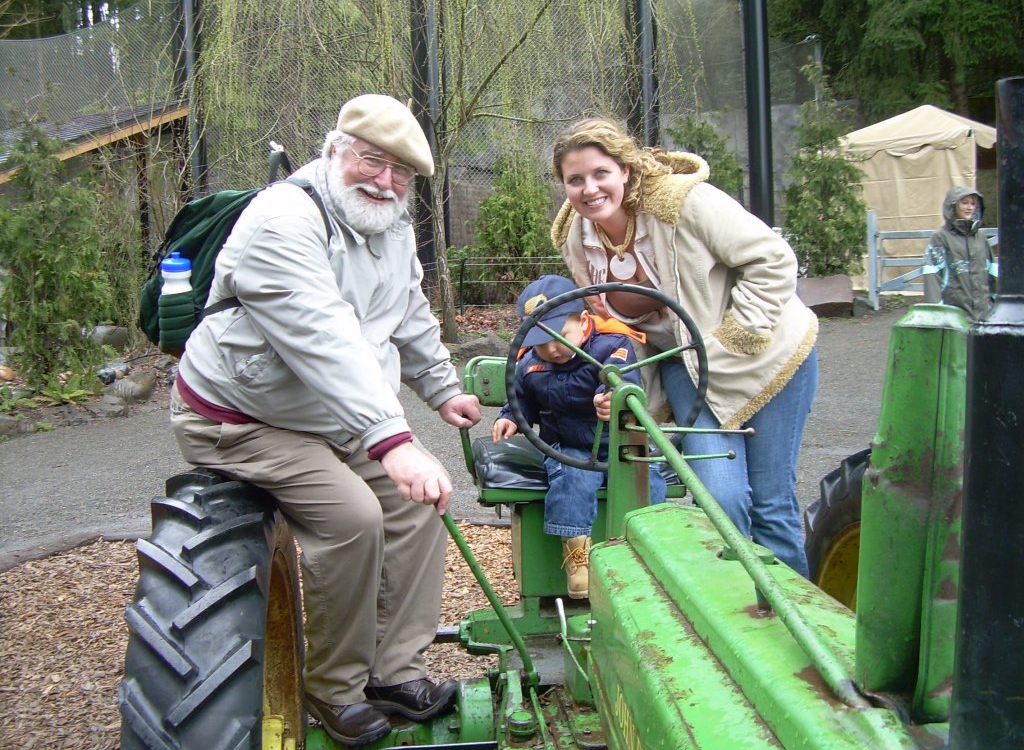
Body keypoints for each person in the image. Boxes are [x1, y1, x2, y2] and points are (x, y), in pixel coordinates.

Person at [168, 94, 482, 746]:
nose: (385, 181)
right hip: (245, 420)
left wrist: (442, 387)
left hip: (333, 417)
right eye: (372, 161)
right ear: (336, 150)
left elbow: (408, 312)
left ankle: (394, 671)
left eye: (401, 172)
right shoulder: (281, 221)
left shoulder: (389, 224)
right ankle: (334, 688)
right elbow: (323, 337)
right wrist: (392, 439)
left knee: (420, 506)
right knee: (353, 518)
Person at [549, 117, 818, 578]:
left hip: (768, 353)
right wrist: (621, 385)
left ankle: (788, 615)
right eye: (575, 180)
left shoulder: (682, 203)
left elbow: (773, 260)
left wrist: (736, 336)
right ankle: (733, 603)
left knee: (770, 501)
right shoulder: (579, 240)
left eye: (600, 173)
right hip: (686, 364)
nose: (589, 189)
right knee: (719, 494)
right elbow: (617, 329)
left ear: (625, 171)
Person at [492, 274, 667, 599]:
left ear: (584, 321)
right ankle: (577, 557)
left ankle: (649, 549)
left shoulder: (612, 346)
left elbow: (621, 379)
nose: (551, 349)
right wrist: (510, 418)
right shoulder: (529, 363)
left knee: (647, 479)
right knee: (572, 478)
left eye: (560, 337)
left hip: (620, 444)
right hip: (568, 445)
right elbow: (521, 398)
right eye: (540, 343)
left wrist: (612, 398)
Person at [922, 186, 995, 322]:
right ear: (953, 205)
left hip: (983, 316)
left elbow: (992, 272)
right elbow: (932, 276)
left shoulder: (980, 237)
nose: (969, 207)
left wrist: (996, 306)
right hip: (953, 317)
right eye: (964, 203)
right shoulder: (940, 237)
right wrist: (935, 314)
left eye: (973, 203)